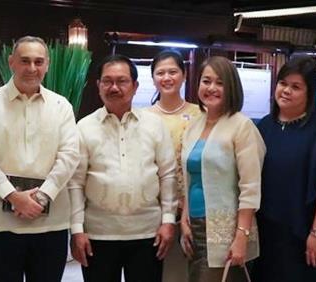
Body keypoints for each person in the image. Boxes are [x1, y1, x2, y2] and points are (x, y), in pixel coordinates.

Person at [0, 36, 81, 282]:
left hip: (51, 223)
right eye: (25, 61)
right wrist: (13, 196)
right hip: (0, 223)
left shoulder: (62, 106)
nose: (32, 68)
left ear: (47, 65)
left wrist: (40, 197)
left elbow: (69, 156)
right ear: (11, 62)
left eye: (38, 62)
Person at [69, 54, 176, 282]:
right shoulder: (84, 127)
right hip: (98, 234)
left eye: (122, 81)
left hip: (148, 233)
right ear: (98, 86)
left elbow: (168, 175)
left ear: (135, 86)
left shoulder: (155, 125)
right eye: (107, 81)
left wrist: (168, 220)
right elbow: (75, 183)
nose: (114, 87)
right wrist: (77, 229)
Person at [251, 56, 316, 281]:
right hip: (267, 232)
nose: (286, 91)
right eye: (283, 83)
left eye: (295, 87)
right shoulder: (265, 125)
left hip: (305, 233)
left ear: (309, 92)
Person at [179, 56, 264, 282]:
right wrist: (184, 218)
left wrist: (241, 235)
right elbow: (188, 177)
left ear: (231, 87)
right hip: (194, 226)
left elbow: (250, 186)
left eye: (220, 83)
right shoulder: (194, 125)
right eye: (206, 81)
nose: (211, 88)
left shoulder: (241, 125)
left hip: (224, 228)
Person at [145, 50, 203, 281]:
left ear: (184, 74)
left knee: (187, 271)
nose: (166, 78)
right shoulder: (143, 117)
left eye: (172, 72)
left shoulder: (200, 115)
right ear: (153, 78)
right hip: (153, 209)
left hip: (194, 207)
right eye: (160, 73)